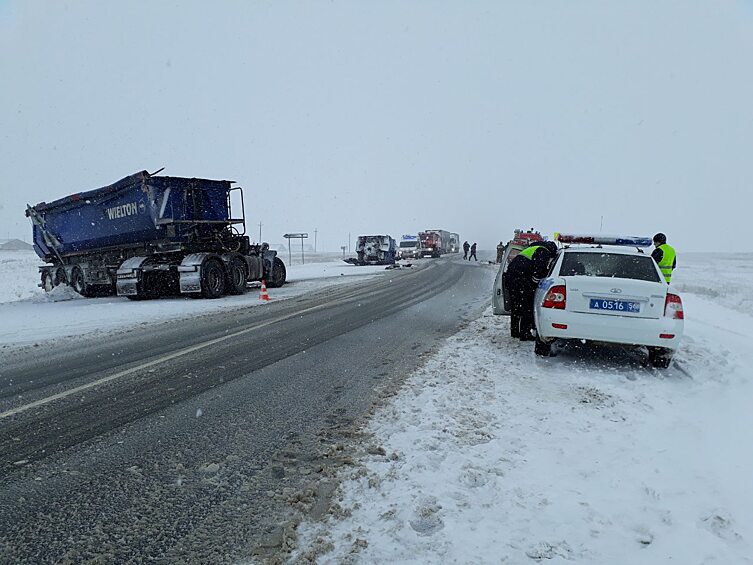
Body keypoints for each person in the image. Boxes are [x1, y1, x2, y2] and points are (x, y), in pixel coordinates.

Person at [504, 241, 558, 340]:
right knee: (527, 307)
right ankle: (525, 334)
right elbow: (538, 273)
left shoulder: (532, 249)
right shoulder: (543, 252)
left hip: (512, 279)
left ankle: (515, 331)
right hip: (521, 281)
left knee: (516, 307)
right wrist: (537, 285)